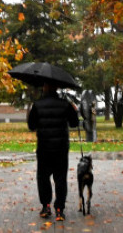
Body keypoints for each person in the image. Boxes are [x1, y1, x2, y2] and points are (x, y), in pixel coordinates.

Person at [27, 82, 79, 221]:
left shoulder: (37, 105)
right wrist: (74, 109)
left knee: (43, 178)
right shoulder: (65, 104)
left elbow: (31, 126)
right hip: (61, 148)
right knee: (60, 178)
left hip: (44, 148)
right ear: (56, 88)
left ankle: (46, 206)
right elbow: (74, 123)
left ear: (44, 88)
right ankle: (59, 209)